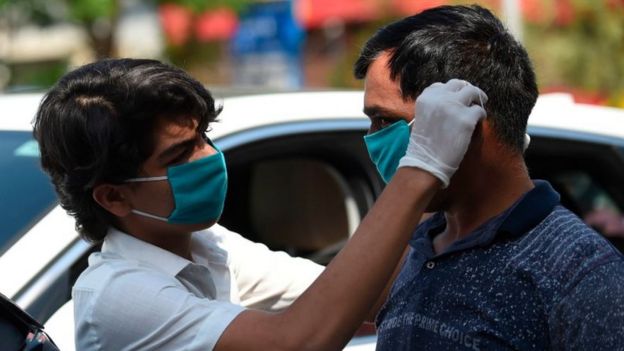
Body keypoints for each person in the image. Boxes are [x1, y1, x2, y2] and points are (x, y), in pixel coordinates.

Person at [33, 58, 487, 350]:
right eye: (179, 155)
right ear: (113, 196)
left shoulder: (207, 247)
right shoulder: (117, 295)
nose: (208, 158)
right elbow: (299, 340)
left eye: (202, 138)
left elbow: (361, 294)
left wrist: (447, 179)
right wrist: (421, 168)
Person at [354, 4, 624, 350]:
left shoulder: (581, 275)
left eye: (384, 121)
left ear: (465, 121)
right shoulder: (417, 246)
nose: (372, 138)